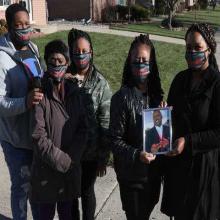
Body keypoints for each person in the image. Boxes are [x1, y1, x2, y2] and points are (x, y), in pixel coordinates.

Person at [161, 23, 220, 220]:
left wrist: (189, 141)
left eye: (197, 47)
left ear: (209, 49)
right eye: (188, 48)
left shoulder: (217, 84)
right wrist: (163, 116)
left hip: (204, 172)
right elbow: (172, 118)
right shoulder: (180, 80)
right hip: (179, 171)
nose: (192, 52)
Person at [30, 40, 88, 219]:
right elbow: (38, 136)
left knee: (67, 214)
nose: (56, 65)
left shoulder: (75, 93)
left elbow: (83, 129)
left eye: (60, 61)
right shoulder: (39, 94)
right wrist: (63, 160)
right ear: (46, 63)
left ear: (67, 63)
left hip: (69, 172)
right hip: (46, 172)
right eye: (52, 61)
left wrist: (72, 158)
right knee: (45, 215)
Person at [109, 34, 164, 220]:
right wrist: (136, 154)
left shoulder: (157, 96)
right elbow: (114, 141)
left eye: (145, 60)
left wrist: (164, 121)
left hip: (153, 176)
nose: (141, 65)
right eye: (136, 60)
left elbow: (159, 136)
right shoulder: (121, 98)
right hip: (131, 178)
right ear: (129, 62)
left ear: (152, 62)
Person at [0, 3, 44, 220]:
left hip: (35, 134)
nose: (25, 29)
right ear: (9, 27)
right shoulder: (2, 58)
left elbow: (39, 77)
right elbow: (0, 103)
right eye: (19, 25)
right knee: (21, 188)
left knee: (35, 188)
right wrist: (25, 103)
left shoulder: (33, 49)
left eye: (27, 24)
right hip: (15, 140)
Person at [67, 29, 112, 220]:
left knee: (86, 191)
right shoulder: (63, 79)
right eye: (76, 51)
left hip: (90, 154)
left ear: (91, 51)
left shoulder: (101, 84)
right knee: (70, 196)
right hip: (67, 152)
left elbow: (105, 123)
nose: (81, 55)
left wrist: (103, 157)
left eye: (85, 50)